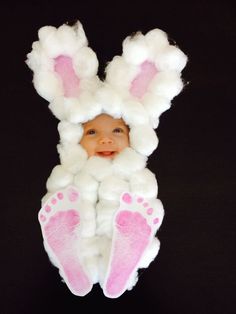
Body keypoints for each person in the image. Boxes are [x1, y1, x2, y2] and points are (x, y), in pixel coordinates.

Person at [26, 20, 187, 298]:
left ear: (132, 135)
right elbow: (63, 184)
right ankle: (70, 248)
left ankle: (128, 249)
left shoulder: (134, 171)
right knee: (72, 198)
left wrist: (140, 201)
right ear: (77, 137)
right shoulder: (74, 167)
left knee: (131, 206)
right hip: (78, 198)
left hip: (125, 206)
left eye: (116, 131)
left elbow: (144, 191)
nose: (105, 139)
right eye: (92, 132)